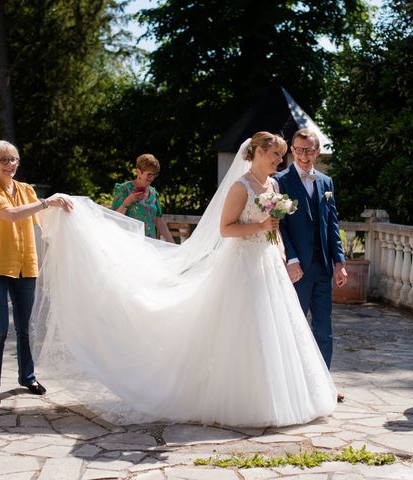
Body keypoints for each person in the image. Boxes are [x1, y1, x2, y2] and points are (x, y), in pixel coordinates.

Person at [32, 133, 337, 427]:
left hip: (267, 264)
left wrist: (279, 247)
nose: (279, 161)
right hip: (242, 267)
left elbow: (274, 227)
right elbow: (226, 229)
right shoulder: (240, 187)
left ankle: (280, 396)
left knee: (274, 329)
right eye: (275, 155)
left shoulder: (271, 183)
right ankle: (243, 399)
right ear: (258, 153)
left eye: (281, 156)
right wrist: (259, 226)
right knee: (245, 329)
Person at [0, 140, 74, 407]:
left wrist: (68, 212)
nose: (10, 164)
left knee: (26, 328)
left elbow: (49, 220)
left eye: (14, 159)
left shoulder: (26, 190)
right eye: (4, 160)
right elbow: (9, 215)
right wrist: (45, 203)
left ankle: (27, 377)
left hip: (25, 266)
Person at [275, 129, 347, 390]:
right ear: (292, 151)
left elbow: (332, 223)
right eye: (299, 150)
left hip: (323, 267)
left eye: (309, 150)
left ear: (317, 152)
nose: (304, 155)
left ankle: (322, 384)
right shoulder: (279, 181)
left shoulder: (326, 182)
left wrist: (339, 262)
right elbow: (278, 226)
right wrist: (291, 259)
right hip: (297, 268)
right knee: (294, 326)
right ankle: (294, 385)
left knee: (323, 329)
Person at [111, 153, 174, 242]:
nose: (152, 178)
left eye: (154, 175)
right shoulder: (124, 189)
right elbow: (113, 219)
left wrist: (173, 244)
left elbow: (159, 221)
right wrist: (128, 201)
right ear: (139, 172)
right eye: (149, 174)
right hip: (129, 244)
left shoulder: (153, 193)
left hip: (150, 245)